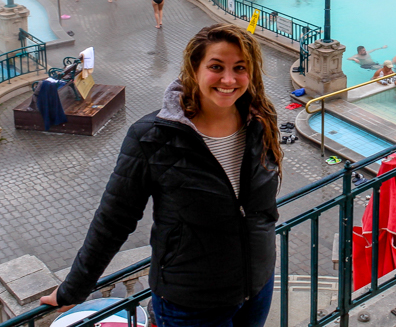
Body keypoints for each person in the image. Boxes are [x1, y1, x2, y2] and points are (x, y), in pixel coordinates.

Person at [40, 24, 282, 326]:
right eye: (216, 67)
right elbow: (114, 219)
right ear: (194, 69)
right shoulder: (152, 137)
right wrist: (74, 287)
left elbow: (261, 209)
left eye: (240, 68)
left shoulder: (260, 120)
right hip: (192, 303)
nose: (229, 79)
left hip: (257, 287)